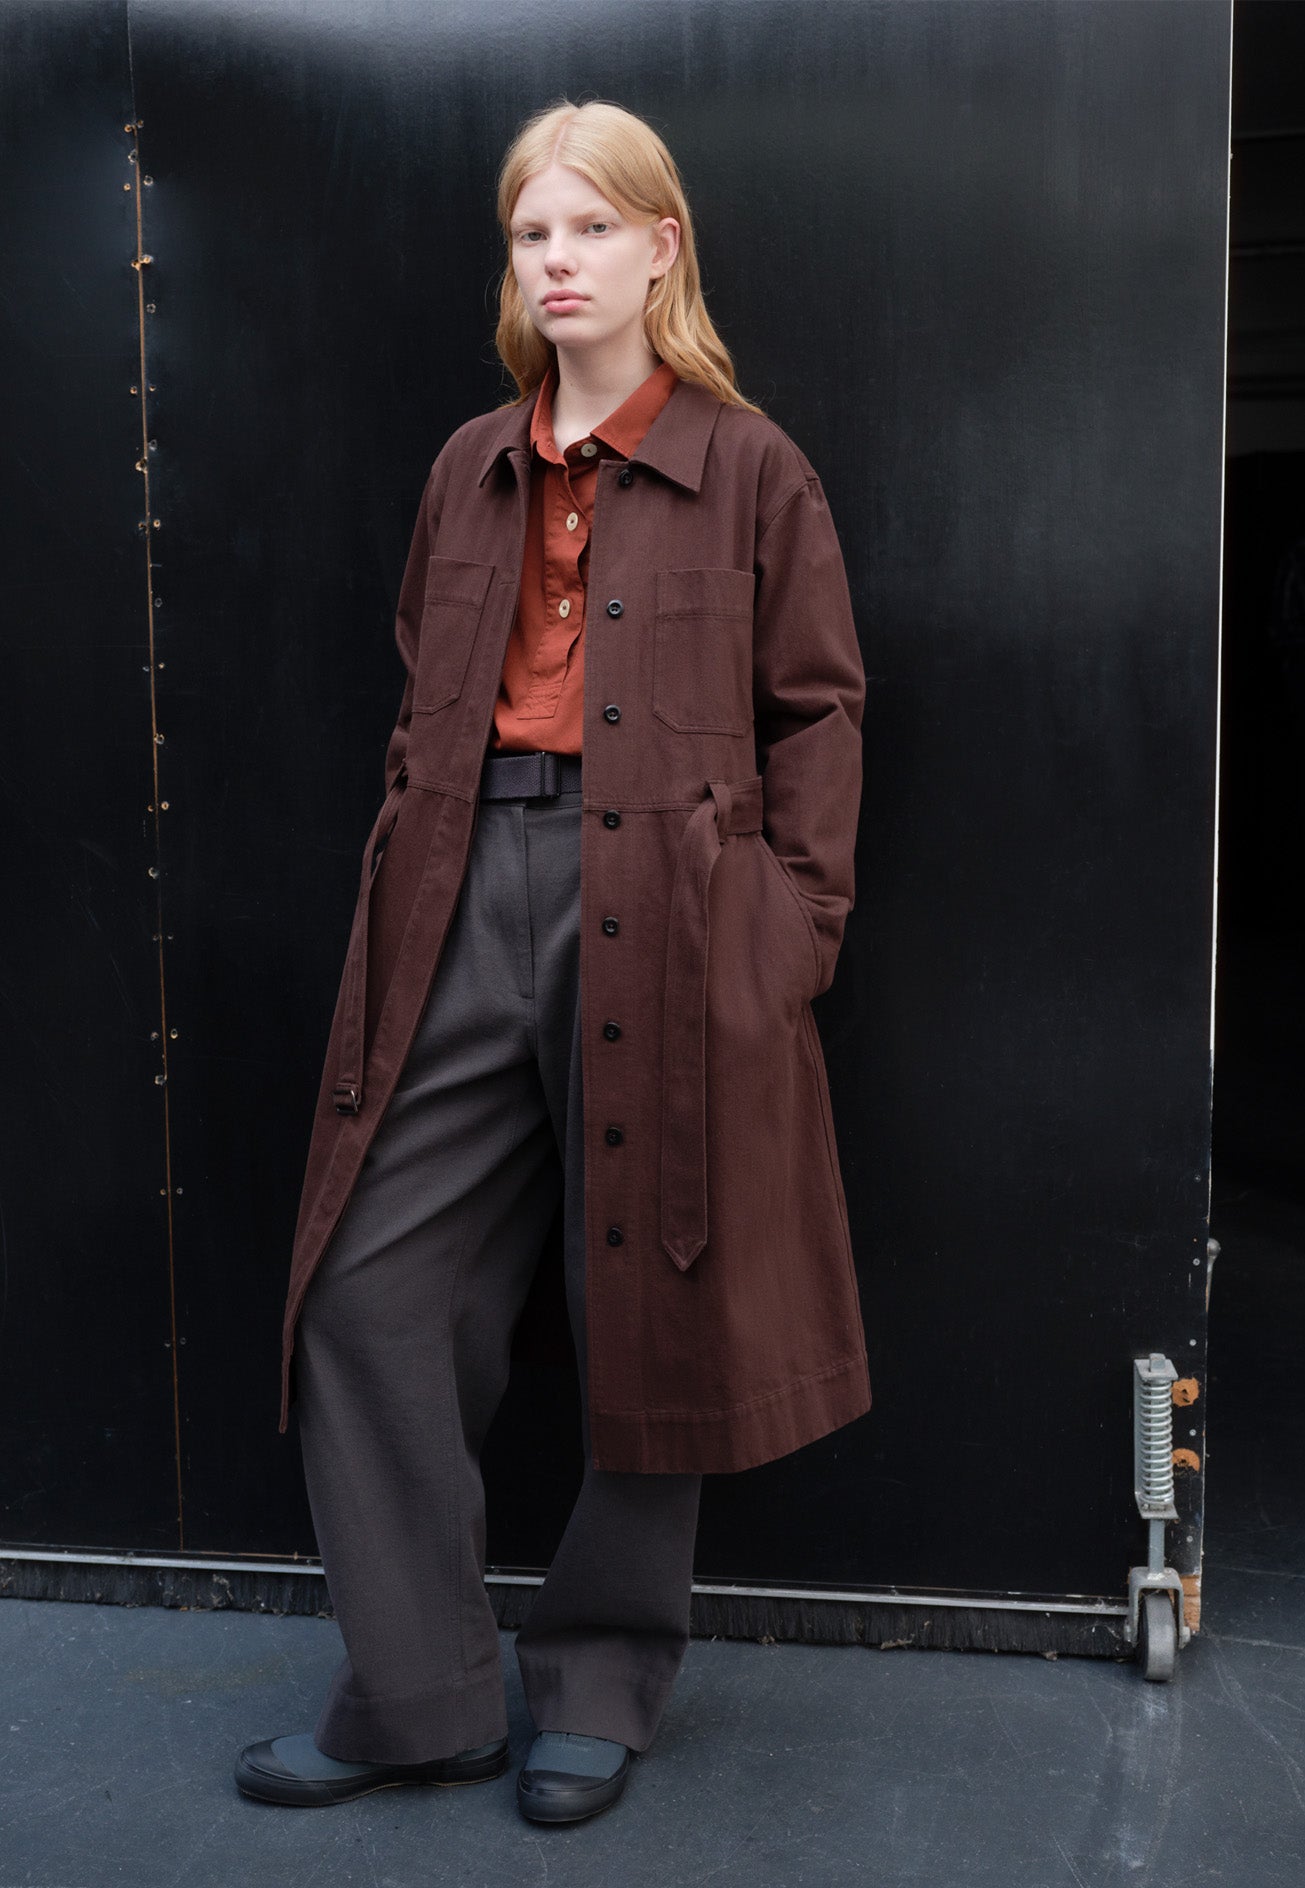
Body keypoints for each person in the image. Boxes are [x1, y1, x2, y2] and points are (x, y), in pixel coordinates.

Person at [236, 94, 870, 1826]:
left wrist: (786, 937)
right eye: (533, 232)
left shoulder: (751, 465)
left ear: (662, 246)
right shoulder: (469, 463)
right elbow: (418, 684)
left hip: (673, 912)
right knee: (368, 1284)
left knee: (646, 1302)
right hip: (464, 886)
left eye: (592, 226)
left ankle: (598, 1681)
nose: (559, 259)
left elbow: (818, 708)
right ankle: (422, 1690)